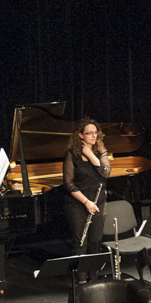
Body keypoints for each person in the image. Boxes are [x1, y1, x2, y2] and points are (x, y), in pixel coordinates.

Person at [63, 118, 111, 282]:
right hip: (78, 204)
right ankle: (81, 281)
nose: (93, 136)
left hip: (98, 202)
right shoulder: (71, 154)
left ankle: (94, 279)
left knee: (96, 241)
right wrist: (86, 202)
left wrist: (91, 155)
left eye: (95, 132)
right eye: (89, 133)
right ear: (80, 135)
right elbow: (68, 183)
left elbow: (105, 173)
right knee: (80, 242)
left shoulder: (101, 150)